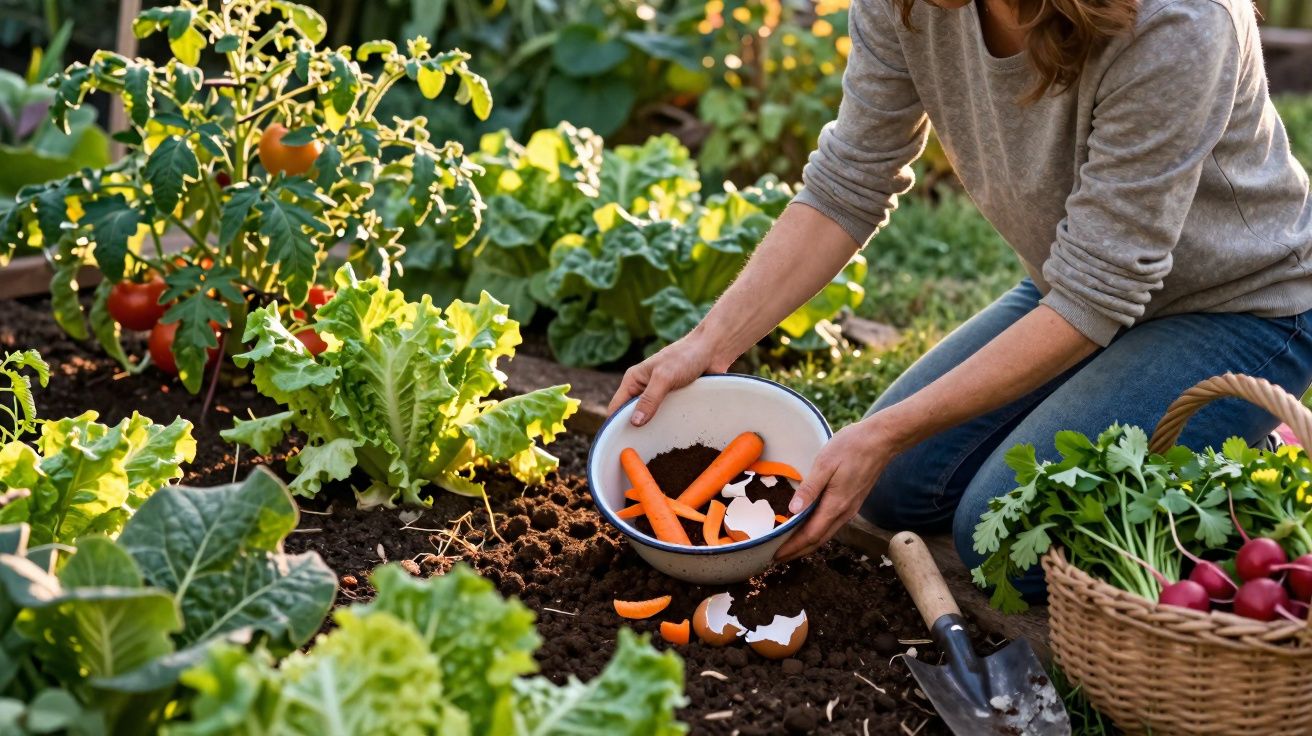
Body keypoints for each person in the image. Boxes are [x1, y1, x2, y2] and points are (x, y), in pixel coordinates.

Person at [606, 0, 1312, 587]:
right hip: (1076, 287)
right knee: (894, 490)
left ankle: (1242, 459)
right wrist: (708, 343)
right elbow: (849, 181)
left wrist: (880, 431)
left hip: (1242, 305)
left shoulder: (1178, 20)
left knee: (1002, 538)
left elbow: (1101, 292)